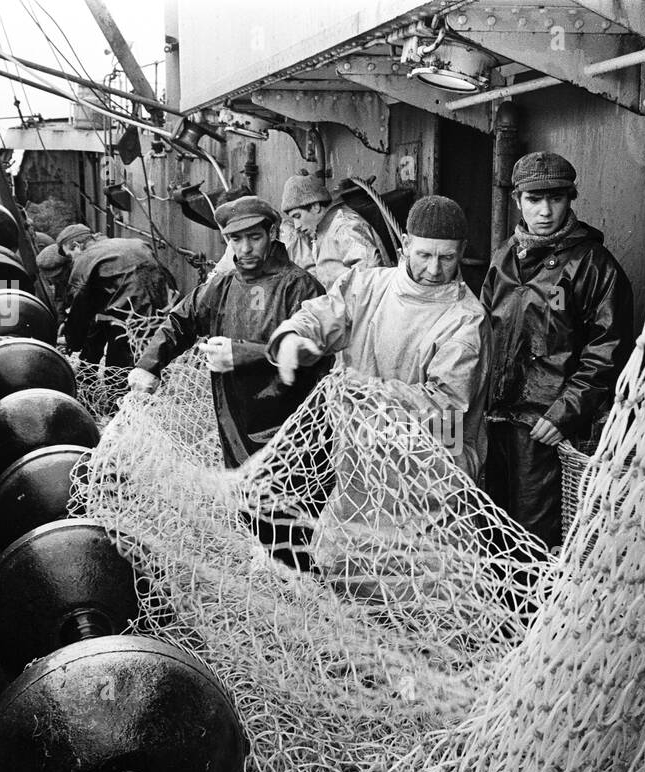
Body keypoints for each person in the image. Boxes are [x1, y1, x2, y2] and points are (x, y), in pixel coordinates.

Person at [129, 196, 330, 570]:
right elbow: (180, 321)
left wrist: (244, 353)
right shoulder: (220, 286)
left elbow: (318, 352)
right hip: (236, 422)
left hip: (292, 425)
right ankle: (279, 580)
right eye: (234, 240)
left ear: (273, 233)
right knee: (251, 511)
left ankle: (306, 595)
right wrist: (148, 365)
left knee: (290, 522)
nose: (244, 249)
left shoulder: (301, 287)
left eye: (253, 237)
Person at [269, 194, 489, 482]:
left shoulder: (467, 318)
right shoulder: (365, 285)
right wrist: (292, 335)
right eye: (424, 255)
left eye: (446, 257)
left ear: (462, 252)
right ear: (406, 244)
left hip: (430, 472)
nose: (434, 270)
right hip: (359, 461)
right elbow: (319, 315)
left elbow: (445, 406)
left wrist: (365, 390)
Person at [482, 152, 632, 549]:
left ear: (571, 199)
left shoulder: (595, 265)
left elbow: (608, 352)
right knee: (492, 530)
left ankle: (534, 613)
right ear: (518, 201)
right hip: (496, 419)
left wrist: (565, 413)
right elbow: (479, 336)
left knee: (537, 539)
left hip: (546, 429)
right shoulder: (502, 260)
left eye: (556, 198)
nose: (545, 211)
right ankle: (499, 610)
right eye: (534, 200)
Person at [56, 224, 175, 368]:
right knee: (156, 365)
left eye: (70, 255)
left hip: (132, 322)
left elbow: (79, 307)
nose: (72, 260)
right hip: (163, 312)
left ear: (77, 246)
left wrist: (72, 341)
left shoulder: (85, 258)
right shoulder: (137, 243)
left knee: (117, 374)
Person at [280, 173, 385, 290]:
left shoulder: (344, 226)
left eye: (297, 216)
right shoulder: (322, 233)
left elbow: (370, 275)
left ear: (315, 206)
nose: (296, 225)